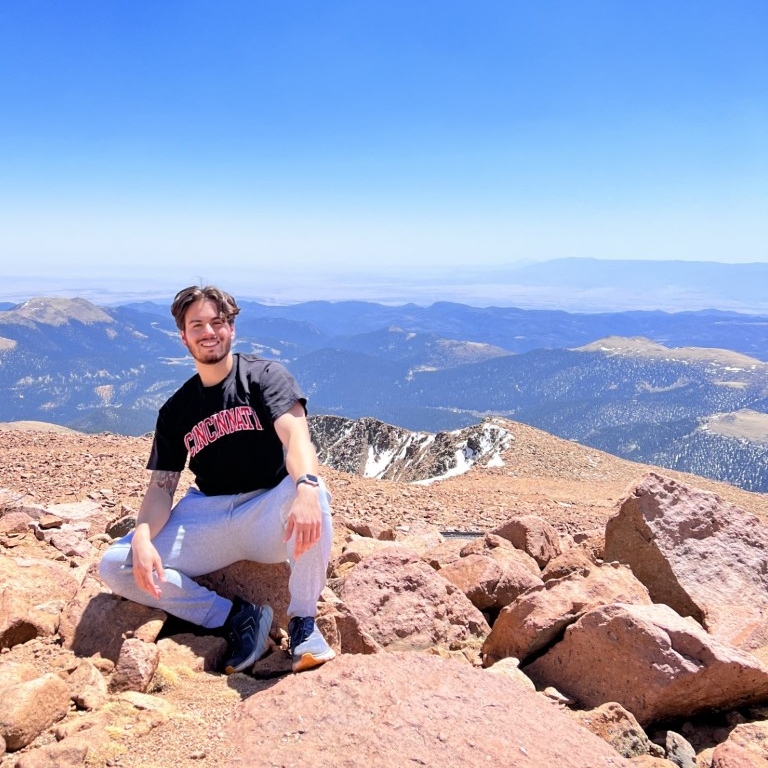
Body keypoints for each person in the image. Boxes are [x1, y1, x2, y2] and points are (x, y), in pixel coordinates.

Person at [99, 285, 335, 674]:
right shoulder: (176, 410)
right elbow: (162, 488)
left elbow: (296, 437)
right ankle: (235, 618)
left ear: (231, 328)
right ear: (183, 335)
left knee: (314, 493)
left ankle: (303, 623)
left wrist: (307, 487)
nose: (209, 331)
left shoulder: (264, 377)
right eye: (198, 325)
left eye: (218, 322)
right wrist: (141, 536)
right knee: (115, 564)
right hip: (208, 515)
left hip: (268, 510)